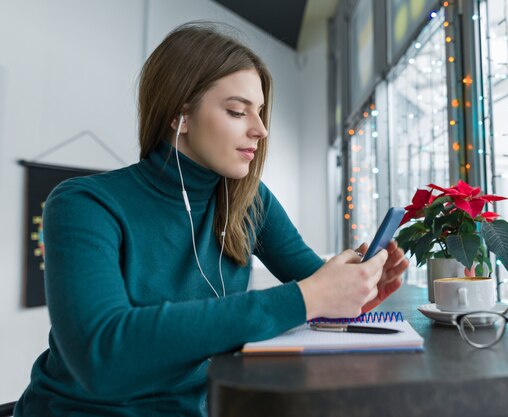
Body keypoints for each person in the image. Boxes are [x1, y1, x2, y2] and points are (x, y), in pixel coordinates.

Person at [14, 22, 409, 417]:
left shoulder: (250, 202)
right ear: (179, 114)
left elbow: (312, 286)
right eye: (237, 111)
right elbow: (101, 356)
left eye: (259, 112)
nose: (261, 129)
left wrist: (354, 288)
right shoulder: (82, 204)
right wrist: (311, 296)